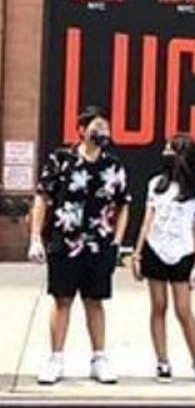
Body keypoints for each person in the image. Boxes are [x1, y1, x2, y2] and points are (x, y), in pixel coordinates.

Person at [28, 106, 131, 385]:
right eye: (97, 127)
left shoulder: (113, 165)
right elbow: (42, 197)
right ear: (82, 129)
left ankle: (99, 358)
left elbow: (123, 205)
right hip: (64, 241)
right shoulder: (61, 160)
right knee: (62, 300)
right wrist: (36, 237)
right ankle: (55, 359)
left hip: (98, 244)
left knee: (95, 302)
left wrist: (117, 242)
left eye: (106, 128)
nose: (102, 133)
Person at [131, 133, 195, 383]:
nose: (167, 153)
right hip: (156, 248)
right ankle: (162, 361)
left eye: (172, 149)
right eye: (166, 148)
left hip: (183, 252)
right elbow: (148, 218)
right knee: (158, 306)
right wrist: (137, 253)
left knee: (184, 310)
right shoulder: (156, 183)